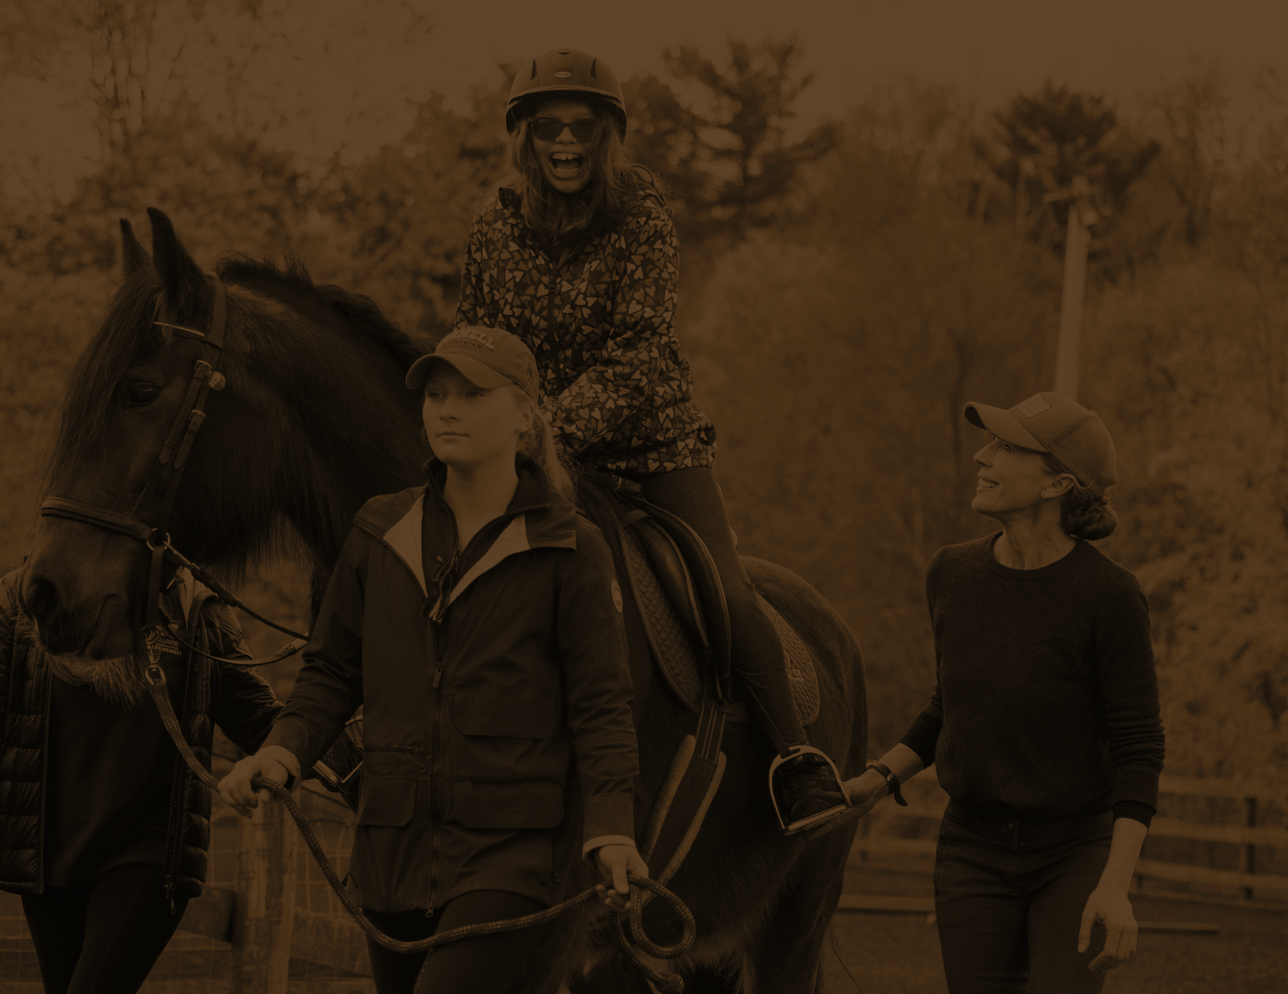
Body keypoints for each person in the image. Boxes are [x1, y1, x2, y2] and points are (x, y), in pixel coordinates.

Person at [452, 47, 844, 833]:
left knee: (724, 595)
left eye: (583, 128)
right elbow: (476, 341)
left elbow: (638, 352)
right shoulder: (492, 229)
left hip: (648, 443)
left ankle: (795, 759)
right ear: (523, 136)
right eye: (548, 126)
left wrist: (540, 429)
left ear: (608, 138)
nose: (565, 142)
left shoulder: (646, 223)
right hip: (524, 445)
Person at [220, 327, 645, 994]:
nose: (447, 409)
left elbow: (601, 706)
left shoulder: (571, 546)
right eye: (436, 395)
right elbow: (332, 672)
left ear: (525, 418)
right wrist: (281, 754)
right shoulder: (377, 531)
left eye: (473, 394)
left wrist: (612, 829)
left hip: (515, 854)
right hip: (392, 852)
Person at [836, 392, 1166, 993]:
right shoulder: (951, 575)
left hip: (1074, 853)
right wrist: (881, 777)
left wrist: (1114, 885)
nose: (982, 458)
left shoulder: (1110, 597)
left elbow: (1140, 748)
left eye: (1008, 448)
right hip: (971, 851)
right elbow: (951, 704)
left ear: (1057, 483)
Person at [0, 567, 284, 994]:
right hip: (47, 852)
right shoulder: (20, 595)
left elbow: (260, 718)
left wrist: (330, 722)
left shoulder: (195, 605)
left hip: (149, 851)